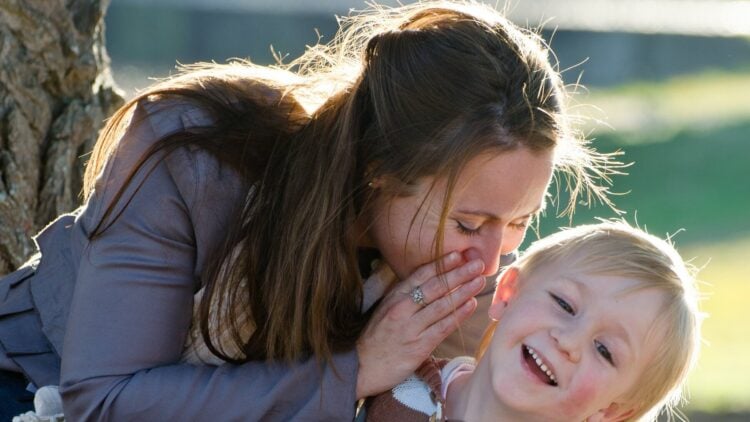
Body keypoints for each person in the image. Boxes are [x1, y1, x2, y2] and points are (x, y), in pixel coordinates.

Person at [0, 1, 621, 419]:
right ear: (379, 169)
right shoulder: (194, 154)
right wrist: (357, 369)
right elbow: (103, 401)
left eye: (518, 223)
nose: (491, 260)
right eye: (468, 224)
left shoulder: (460, 281)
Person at [361, 221, 703, 422]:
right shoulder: (394, 384)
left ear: (612, 412)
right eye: (564, 304)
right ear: (508, 293)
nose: (568, 341)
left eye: (604, 350)